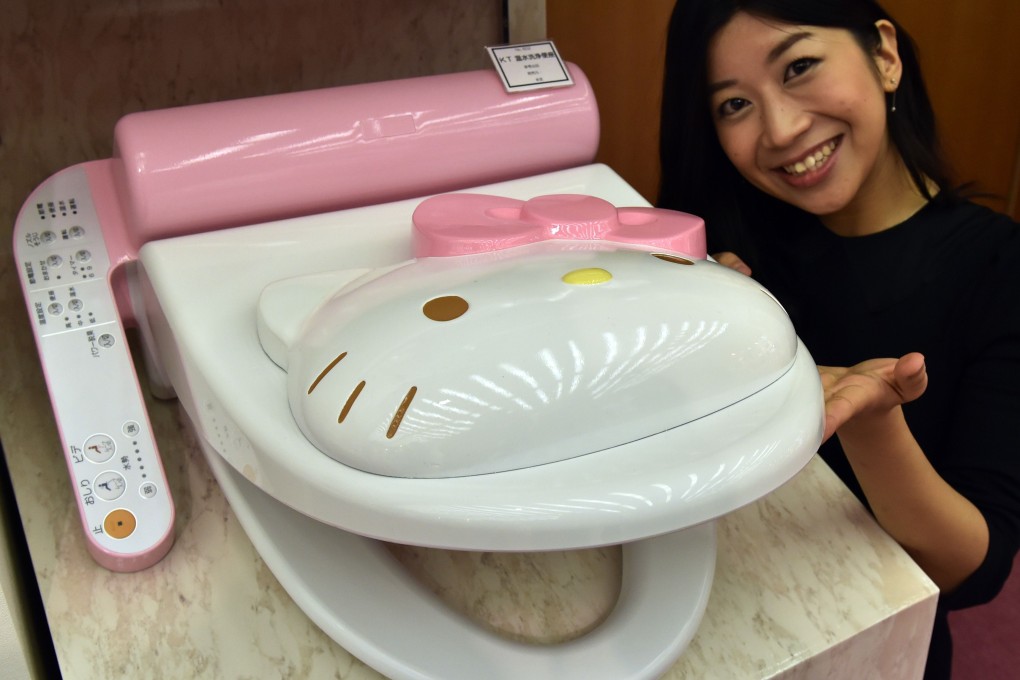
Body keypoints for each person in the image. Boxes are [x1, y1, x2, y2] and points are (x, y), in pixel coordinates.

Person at [658, 1, 1020, 678]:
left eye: (799, 67)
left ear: (885, 55)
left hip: (865, 641)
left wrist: (874, 421)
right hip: (711, 602)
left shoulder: (998, 269)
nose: (782, 129)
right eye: (734, 105)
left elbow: (973, 568)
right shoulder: (736, 238)